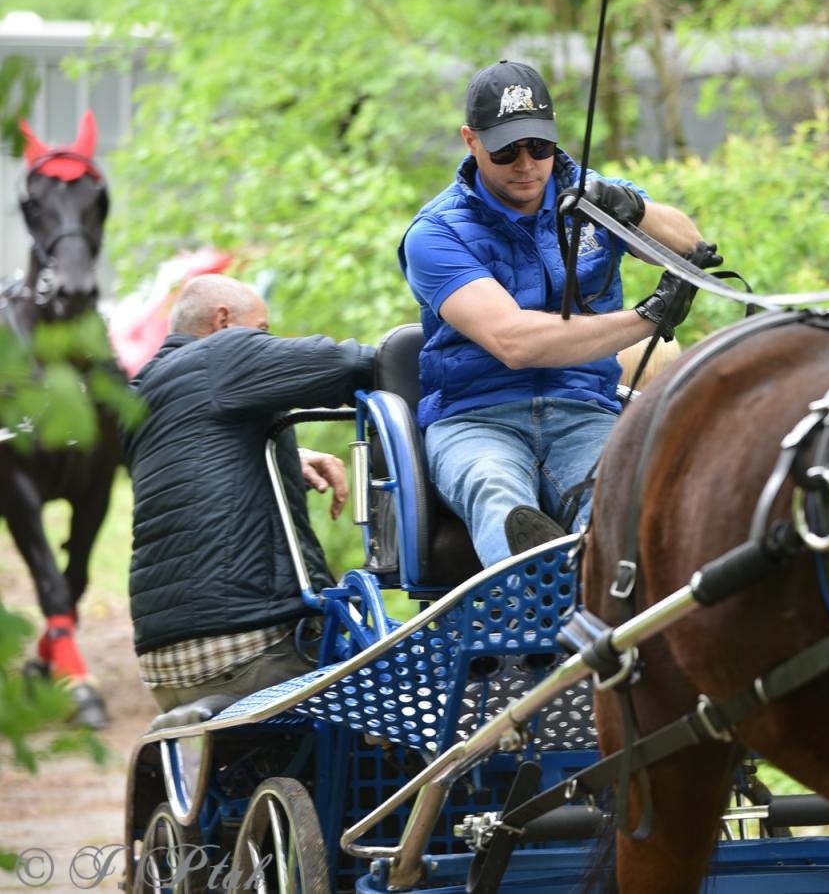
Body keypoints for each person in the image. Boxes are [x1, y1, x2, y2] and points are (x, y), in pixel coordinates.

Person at [400, 59, 708, 568]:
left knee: (620, 496)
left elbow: (691, 247)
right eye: (506, 149)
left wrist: (628, 205)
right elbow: (516, 342)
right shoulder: (435, 234)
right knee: (497, 490)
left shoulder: (593, 196)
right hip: (476, 419)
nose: (526, 164)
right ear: (470, 141)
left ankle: (608, 616)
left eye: (538, 146)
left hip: (584, 409)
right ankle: (532, 622)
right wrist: (649, 317)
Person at [124, 274, 374, 712]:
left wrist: (284, 454)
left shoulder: (138, 395)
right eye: (262, 330)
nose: (267, 342)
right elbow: (350, 365)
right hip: (249, 646)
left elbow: (192, 456)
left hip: (162, 663)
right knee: (398, 712)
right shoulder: (223, 352)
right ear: (223, 320)